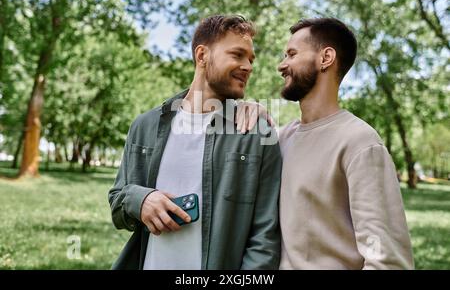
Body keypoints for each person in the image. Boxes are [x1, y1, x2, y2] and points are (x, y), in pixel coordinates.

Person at [108, 15, 282, 270]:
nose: (248, 66)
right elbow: (118, 204)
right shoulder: (145, 125)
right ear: (202, 56)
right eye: (237, 55)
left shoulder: (257, 133)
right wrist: (141, 199)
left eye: (251, 59)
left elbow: (265, 238)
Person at [241, 18, 414, 269]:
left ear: (326, 58)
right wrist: (253, 109)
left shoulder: (359, 142)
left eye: (292, 54)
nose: (282, 65)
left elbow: (387, 260)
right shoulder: (282, 139)